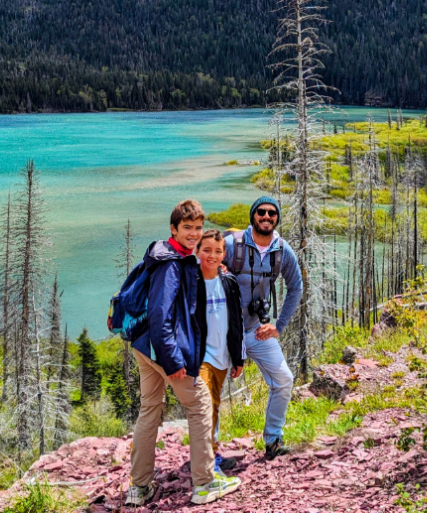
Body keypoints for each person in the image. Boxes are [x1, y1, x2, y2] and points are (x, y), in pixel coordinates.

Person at [125, 200, 242, 507]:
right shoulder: (171, 265)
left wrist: (214, 268)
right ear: (173, 229)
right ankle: (204, 483)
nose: (194, 234)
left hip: (143, 346)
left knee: (150, 409)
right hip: (162, 349)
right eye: (187, 228)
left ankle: (139, 487)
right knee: (200, 404)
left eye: (198, 228)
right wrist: (173, 360)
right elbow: (162, 314)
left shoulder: (169, 255)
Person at [224, 195, 303, 460]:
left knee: (283, 379)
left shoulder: (282, 250)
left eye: (272, 213)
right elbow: (201, 272)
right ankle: (208, 456)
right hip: (225, 334)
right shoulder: (230, 245)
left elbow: (296, 287)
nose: (266, 217)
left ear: (277, 218)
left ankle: (273, 441)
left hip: (258, 329)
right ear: (252, 215)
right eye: (261, 212)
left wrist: (278, 327)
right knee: (210, 390)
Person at [194, 228, 244, 475]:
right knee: (205, 406)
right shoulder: (191, 282)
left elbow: (236, 321)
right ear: (197, 252)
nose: (212, 256)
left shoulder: (228, 281)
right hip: (201, 356)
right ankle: (206, 463)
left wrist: (238, 357)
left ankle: (211, 452)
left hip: (223, 356)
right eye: (206, 250)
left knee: (213, 404)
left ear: (224, 253)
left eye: (217, 251)